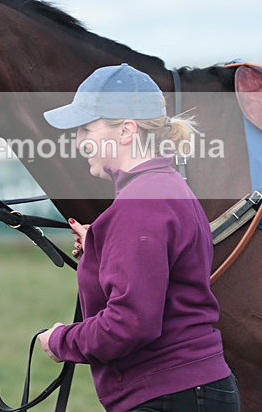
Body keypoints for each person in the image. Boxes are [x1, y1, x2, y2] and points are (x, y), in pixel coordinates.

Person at [38, 64, 239, 411]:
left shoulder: (139, 204)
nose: (78, 140)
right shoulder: (165, 186)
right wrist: (102, 246)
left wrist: (60, 340)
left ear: (127, 130)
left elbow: (129, 325)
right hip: (192, 390)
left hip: (169, 396)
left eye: (87, 129)